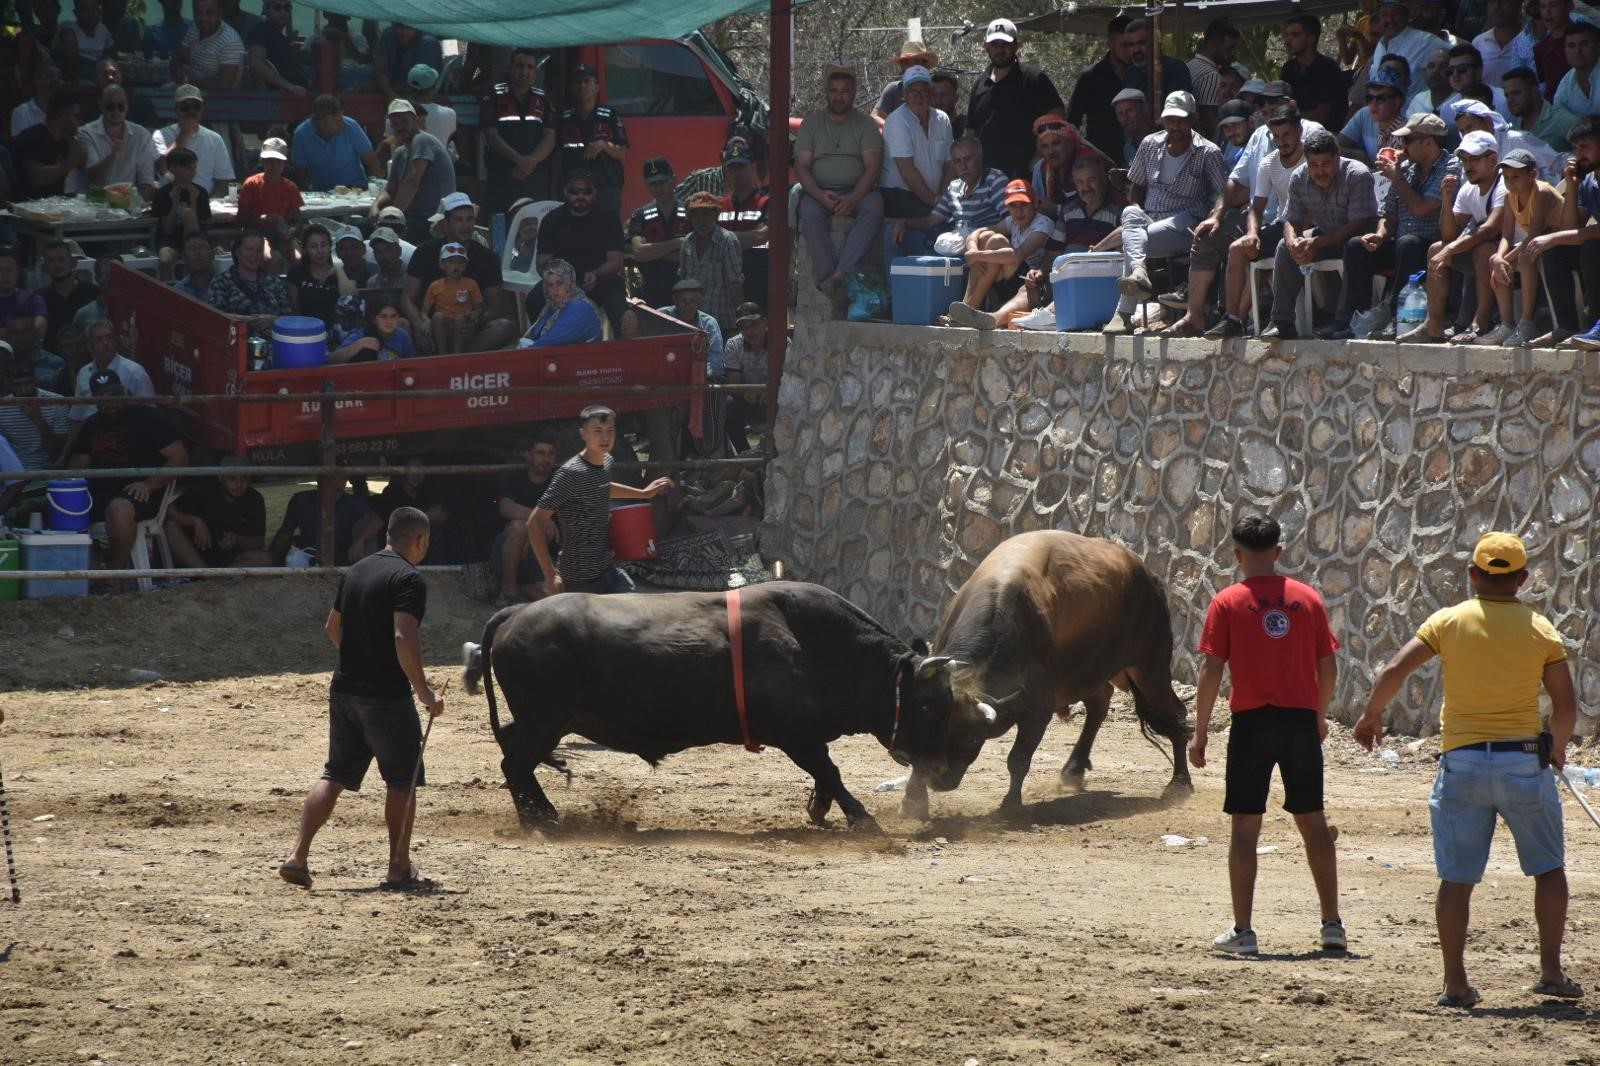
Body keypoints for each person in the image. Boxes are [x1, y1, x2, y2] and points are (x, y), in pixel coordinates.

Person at [1353, 532, 1583, 1009]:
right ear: (1522, 579)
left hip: (1461, 763)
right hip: (1523, 761)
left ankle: (1456, 984)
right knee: (1549, 869)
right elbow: (1565, 705)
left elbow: (1395, 669)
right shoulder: (1541, 629)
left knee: (1457, 879)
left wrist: (1370, 715)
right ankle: (1551, 972)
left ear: (1473, 575)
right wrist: (1557, 749)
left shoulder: (1447, 621)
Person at [1189, 513, 1343, 957]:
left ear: (1237, 556)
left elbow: (1211, 669)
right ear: (1278, 552)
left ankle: (1244, 931)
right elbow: (1327, 665)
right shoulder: (1308, 599)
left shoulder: (1227, 602)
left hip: (1252, 724)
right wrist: (1319, 714)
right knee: (1313, 822)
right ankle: (1332, 925)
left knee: (1245, 828)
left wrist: (1200, 732)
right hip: (1298, 721)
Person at [279, 505, 444, 892]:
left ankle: (297, 856)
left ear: (388, 534)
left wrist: (357, 657)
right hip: (386, 697)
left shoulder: (357, 570)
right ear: (420, 540)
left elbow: (332, 626)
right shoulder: (409, 578)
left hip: (345, 689)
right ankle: (398, 869)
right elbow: (404, 637)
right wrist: (423, 690)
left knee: (335, 774)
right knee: (401, 781)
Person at [1172, 105, 1305, 338]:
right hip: (1278, 224)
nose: (1281, 141)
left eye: (1286, 135)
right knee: (1238, 247)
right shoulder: (1269, 162)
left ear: (1299, 131)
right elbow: (1256, 206)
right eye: (1276, 136)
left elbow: (1310, 206)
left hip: (1305, 225)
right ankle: (1231, 320)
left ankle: (1273, 320)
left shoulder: (1309, 160)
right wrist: (1252, 233)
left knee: (1280, 248)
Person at [1104, 91, 1227, 335]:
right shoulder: (1150, 144)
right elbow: (1136, 185)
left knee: (1134, 240)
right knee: (1130, 213)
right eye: (1171, 120)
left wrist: (1215, 216)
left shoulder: (1207, 152)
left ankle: (1123, 313)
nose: (1176, 126)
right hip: (1150, 218)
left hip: (1186, 221)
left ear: (1192, 119)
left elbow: (1225, 191)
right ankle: (1139, 271)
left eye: (1181, 120)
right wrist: (1137, 206)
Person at [1334, 112, 1460, 340]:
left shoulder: (1450, 166)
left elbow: (1422, 208)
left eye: (1408, 140)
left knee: (1408, 243)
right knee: (1356, 246)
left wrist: (1397, 178)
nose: (1403, 146)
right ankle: (1354, 319)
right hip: (1402, 245)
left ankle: (1396, 318)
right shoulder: (1408, 168)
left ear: (1428, 142)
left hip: (1432, 246)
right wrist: (1380, 235)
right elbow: (1388, 214)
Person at [526, 405, 672, 597]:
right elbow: (534, 522)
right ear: (583, 434)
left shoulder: (607, 461)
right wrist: (550, 574)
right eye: (597, 431)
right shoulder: (570, 474)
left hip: (607, 570)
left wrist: (644, 493)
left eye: (610, 430)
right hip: (578, 579)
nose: (605, 437)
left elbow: (603, 486)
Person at [1259, 132, 1379, 340]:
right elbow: (1291, 219)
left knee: (1353, 246)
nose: (1320, 171)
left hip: (1358, 237)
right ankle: (1281, 322)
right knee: (1283, 247)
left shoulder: (1357, 174)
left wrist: (1317, 243)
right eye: (1314, 165)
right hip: (1325, 233)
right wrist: (1294, 242)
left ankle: (1342, 321)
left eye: (1325, 164)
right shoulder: (1299, 177)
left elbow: (1358, 223)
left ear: (1337, 158)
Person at [69, 370, 188, 572]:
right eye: (103, 398)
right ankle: (94, 572)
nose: (111, 402)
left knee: (119, 509)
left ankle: (117, 571)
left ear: (124, 392)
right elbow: (80, 466)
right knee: (59, 509)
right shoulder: (91, 425)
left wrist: (150, 484)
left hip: (140, 491)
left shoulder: (148, 417)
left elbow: (180, 457)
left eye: (114, 395)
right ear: (95, 401)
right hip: (99, 492)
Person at [1398, 131, 1507, 343]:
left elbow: (1490, 229)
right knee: (1436, 249)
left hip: (1511, 253)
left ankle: (1480, 321)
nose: (1468, 166)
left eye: (1474, 159)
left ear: (1492, 159)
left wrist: (1450, 249)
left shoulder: (1504, 185)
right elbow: (1449, 234)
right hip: (1483, 256)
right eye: (1464, 160)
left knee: (1483, 249)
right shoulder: (1468, 188)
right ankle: (1433, 324)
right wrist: (1446, 199)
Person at [794, 66, 885, 304]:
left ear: (854, 93)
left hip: (858, 192)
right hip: (819, 191)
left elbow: (872, 167)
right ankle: (827, 278)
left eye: (844, 91)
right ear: (826, 92)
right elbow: (802, 166)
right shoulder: (811, 123)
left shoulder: (866, 125)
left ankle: (841, 274)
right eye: (833, 91)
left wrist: (854, 198)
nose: (839, 96)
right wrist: (819, 194)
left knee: (874, 207)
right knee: (809, 211)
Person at [402, 192, 517, 354]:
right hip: (431, 327)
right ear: (445, 224)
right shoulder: (424, 252)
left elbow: (495, 307)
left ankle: (457, 361)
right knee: (402, 327)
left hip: (467, 329)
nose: (465, 225)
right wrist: (419, 324)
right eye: (458, 220)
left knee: (505, 327)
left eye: (469, 219)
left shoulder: (487, 257)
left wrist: (476, 322)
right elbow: (407, 298)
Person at [529, 170, 628, 334]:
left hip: (597, 279)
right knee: (534, 299)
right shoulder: (552, 220)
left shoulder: (608, 218)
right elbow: (542, 263)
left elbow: (616, 261)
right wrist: (560, 282)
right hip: (561, 283)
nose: (580, 196)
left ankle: (625, 342)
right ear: (565, 191)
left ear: (595, 192)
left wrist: (596, 273)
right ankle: (544, 341)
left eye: (587, 191)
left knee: (614, 288)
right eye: (574, 191)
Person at [946, 179, 1053, 330]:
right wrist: (972, 250)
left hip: (1034, 280)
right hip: (1010, 278)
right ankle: (967, 307)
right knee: (988, 239)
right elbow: (977, 233)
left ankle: (976, 313)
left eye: (1024, 205)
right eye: (1013, 206)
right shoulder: (1012, 221)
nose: (1019, 211)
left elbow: (1017, 256)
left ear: (1035, 204)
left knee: (996, 242)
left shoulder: (1043, 224)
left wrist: (977, 256)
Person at [967, 18, 1064, 179]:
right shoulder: (979, 84)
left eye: (1005, 44)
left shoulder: (1033, 79)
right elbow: (970, 131)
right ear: (985, 45)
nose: (1000, 49)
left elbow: (1057, 114)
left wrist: (1040, 154)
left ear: (1017, 45)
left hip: (1025, 175)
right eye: (995, 44)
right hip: (986, 178)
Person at [1487, 148, 1562, 346]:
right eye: (1506, 177)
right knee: (1494, 259)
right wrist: (1498, 258)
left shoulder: (1542, 193)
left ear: (1532, 175)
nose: (1510, 182)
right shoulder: (1508, 196)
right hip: (1540, 241)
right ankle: (1507, 324)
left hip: (1560, 241)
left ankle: (1527, 323)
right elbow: (1506, 235)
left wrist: (1504, 261)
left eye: (1516, 177)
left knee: (1523, 257)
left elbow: (1535, 233)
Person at [891, 134, 1007, 257]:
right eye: (957, 161)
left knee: (931, 259)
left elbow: (1011, 221)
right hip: (954, 246)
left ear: (979, 159)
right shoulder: (954, 187)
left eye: (968, 159)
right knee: (893, 232)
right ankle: (894, 276)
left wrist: (978, 234)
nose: (963, 166)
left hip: (981, 249)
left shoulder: (995, 180)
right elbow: (931, 221)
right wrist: (905, 222)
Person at [480, 48, 556, 212]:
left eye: (530, 67)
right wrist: (518, 160)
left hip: (535, 178)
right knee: (501, 227)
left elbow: (550, 137)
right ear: (511, 68)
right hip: (503, 176)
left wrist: (530, 162)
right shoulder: (494, 95)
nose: (524, 71)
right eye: (520, 65)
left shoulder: (542, 98)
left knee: (535, 227)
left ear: (536, 71)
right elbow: (491, 135)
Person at [490, 432, 558, 605]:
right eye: (540, 453)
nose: (546, 459)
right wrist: (540, 518)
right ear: (529, 456)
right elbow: (506, 508)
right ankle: (508, 590)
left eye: (550, 454)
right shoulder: (514, 478)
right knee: (521, 526)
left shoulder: (558, 481)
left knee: (554, 600)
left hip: (539, 557)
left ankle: (521, 588)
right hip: (508, 554)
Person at [164, 458, 271, 568]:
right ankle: (206, 573)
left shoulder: (255, 499)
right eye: (232, 478)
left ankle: (223, 575)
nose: (239, 484)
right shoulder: (203, 489)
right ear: (220, 477)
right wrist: (195, 521)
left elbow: (259, 540)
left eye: (244, 478)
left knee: (265, 558)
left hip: (228, 557)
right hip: (193, 553)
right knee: (169, 528)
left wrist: (238, 540)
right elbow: (168, 511)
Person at [373, 99, 454, 243]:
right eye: (395, 124)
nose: (400, 127)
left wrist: (392, 218)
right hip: (412, 218)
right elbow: (390, 189)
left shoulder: (422, 140)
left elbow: (412, 183)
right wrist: (376, 206)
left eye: (404, 121)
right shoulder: (400, 153)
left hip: (433, 220)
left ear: (416, 120)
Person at [880, 64, 954, 220]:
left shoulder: (942, 119)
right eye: (913, 91)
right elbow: (907, 170)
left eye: (923, 91)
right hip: (900, 195)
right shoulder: (896, 121)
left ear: (931, 93)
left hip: (932, 197)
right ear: (905, 94)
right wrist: (935, 201)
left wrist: (941, 198)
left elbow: (949, 165)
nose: (918, 97)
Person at [0, 360, 71, 517]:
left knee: (26, 508)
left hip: (45, 475)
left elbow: (57, 453)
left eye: (28, 383)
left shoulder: (57, 402)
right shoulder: (2, 408)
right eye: (18, 384)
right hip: (13, 477)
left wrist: (38, 419)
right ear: (8, 383)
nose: (24, 389)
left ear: (36, 379)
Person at [556, 64, 628, 216]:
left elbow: (622, 152)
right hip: (574, 190)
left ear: (596, 87)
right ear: (572, 88)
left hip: (605, 188)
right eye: (578, 82)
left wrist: (603, 145)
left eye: (587, 81)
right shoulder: (563, 118)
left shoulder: (609, 116)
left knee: (607, 235)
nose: (582, 85)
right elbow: (556, 157)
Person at [67, 83, 156, 201]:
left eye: (121, 106)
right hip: (92, 207)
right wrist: (113, 157)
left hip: (128, 207)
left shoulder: (142, 135)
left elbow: (147, 181)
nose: (116, 111)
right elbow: (93, 176)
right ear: (100, 106)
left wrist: (136, 206)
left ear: (127, 106)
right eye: (110, 106)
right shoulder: (85, 133)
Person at [269, 474, 381, 566]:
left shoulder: (352, 503)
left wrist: (360, 540)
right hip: (308, 556)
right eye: (333, 477)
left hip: (341, 559)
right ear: (319, 479)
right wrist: (270, 559)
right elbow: (285, 532)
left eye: (343, 477)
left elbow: (376, 520)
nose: (339, 481)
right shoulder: (302, 501)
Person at [1067, 15, 1137, 160]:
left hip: (1140, 156)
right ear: (1110, 44)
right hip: (1102, 160)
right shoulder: (1090, 77)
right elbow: (1072, 122)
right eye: (1125, 45)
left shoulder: (1145, 74)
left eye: (1133, 44)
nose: (1131, 50)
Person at [628, 156, 689, 309]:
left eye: (662, 182)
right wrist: (678, 243)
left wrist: (653, 253)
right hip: (651, 291)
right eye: (653, 184)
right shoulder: (639, 215)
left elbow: (693, 255)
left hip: (686, 290)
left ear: (674, 180)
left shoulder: (691, 211)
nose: (658, 188)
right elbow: (639, 253)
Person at [153, 85, 236, 197]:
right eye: (185, 107)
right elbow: (162, 168)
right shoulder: (161, 135)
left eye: (196, 106)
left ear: (202, 109)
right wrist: (184, 135)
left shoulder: (215, 138)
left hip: (206, 203)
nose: (191, 111)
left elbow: (223, 182)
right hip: (170, 201)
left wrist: (207, 204)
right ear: (176, 109)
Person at [678, 191, 744, 333]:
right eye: (696, 215)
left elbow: (735, 285)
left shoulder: (727, 240)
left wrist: (742, 320)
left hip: (724, 323)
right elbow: (683, 282)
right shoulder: (687, 242)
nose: (702, 220)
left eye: (707, 214)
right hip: (694, 323)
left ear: (716, 215)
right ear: (690, 218)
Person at [291, 95, 381, 193]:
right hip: (321, 193)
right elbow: (300, 172)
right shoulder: (301, 134)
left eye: (342, 117)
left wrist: (375, 193)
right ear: (322, 123)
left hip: (355, 190)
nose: (342, 122)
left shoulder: (351, 126)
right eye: (337, 120)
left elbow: (372, 162)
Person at [209, 231, 290, 337]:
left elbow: (289, 319)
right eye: (249, 249)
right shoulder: (221, 281)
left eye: (259, 250)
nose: (254, 255)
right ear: (237, 251)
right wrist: (249, 320)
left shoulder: (274, 282)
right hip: (237, 343)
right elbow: (214, 317)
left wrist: (273, 320)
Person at [1030, 116, 1113, 220]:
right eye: (1045, 146)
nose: (1051, 151)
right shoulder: (1042, 168)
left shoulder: (1088, 162)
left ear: (1070, 142)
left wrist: (1057, 210)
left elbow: (1096, 208)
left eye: (1056, 143)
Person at [151, 147, 210, 280]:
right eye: (188, 168)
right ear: (173, 168)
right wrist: (174, 203)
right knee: (165, 260)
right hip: (170, 240)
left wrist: (193, 200)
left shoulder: (200, 192)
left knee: (189, 213)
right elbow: (167, 229)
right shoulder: (162, 193)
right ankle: (166, 291)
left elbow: (199, 226)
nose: (192, 172)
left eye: (194, 168)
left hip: (196, 241)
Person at [11, 95, 86, 202]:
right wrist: (70, 163)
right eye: (77, 116)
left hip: (55, 205)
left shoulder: (65, 142)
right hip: (29, 206)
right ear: (63, 116)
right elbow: (37, 178)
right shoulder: (32, 138)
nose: (80, 121)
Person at [1371, 0, 1450, 98]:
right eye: (1384, 14)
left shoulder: (1424, 41)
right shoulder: (1381, 44)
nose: (1389, 19)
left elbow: (1459, 57)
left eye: (1395, 14)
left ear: (1407, 16)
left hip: (1414, 112)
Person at [1280, 15, 1347, 128]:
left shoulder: (1328, 68)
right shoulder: (1289, 68)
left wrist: (1289, 116)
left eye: (1295, 35)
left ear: (1311, 38)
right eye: (1287, 35)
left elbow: (1322, 115)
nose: (1287, 41)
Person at [287, 223, 355, 330]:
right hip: (305, 330)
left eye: (323, 245)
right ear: (305, 250)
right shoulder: (296, 273)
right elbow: (295, 309)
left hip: (336, 332)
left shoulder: (342, 273)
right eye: (313, 246)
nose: (320, 251)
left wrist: (338, 270)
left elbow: (349, 300)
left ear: (330, 246)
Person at [722, 302, 767, 454]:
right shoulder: (733, 344)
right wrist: (744, 392)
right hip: (747, 398)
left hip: (773, 395)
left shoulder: (782, 342)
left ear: (764, 323)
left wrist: (772, 390)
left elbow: (787, 378)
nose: (750, 331)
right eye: (744, 327)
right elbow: (733, 382)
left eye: (753, 324)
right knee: (728, 404)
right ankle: (744, 454)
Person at [37, 241, 98, 352]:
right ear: (45, 267)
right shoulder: (39, 298)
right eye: (51, 261)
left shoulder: (93, 293)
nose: (57, 265)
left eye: (61, 259)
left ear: (73, 262)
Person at [1339, 66, 1408, 164]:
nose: (1373, 104)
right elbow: (1335, 146)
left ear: (1397, 102)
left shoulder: (1405, 136)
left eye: (1381, 99)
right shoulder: (1371, 119)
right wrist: (1358, 155)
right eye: (1370, 98)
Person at [422, 242, 482, 354]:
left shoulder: (471, 284)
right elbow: (424, 311)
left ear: (464, 266)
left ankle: (457, 353)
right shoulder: (435, 286)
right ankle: (442, 354)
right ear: (442, 264)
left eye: (460, 262)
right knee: (437, 316)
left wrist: (473, 315)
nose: (456, 266)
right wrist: (426, 321)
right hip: (441, 328)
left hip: (461, 328)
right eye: (451, 262)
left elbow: (479, 308)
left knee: (460, 318)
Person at [173, 0, 245, 91]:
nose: (203, 18)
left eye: (209, 13)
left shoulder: (231, 42)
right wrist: (176, 73)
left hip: (220, 98)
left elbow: (225, 83)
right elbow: (178, 56)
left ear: (220, 14)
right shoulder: (195, 28)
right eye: (198, 13)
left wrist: (189, 83)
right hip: (191, 90)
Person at [870, 38, 939, 128]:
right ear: (902, 65)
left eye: (918, 61)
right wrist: (893, 129)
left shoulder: (936, 90)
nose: (914, 66)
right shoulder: (893, 89)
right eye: (909, 62)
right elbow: (875, 117)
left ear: (925, 64)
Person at [247, 0, 309, 97]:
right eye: (277, 7)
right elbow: (256, 63)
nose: (283, 12)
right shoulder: (262, 31)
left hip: (294, 97)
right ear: (266, 9)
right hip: (278, 100)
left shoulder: (280, 36)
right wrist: (289, 86)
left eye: (287, 7)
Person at [1122, 17, 1195, 98]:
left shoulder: (1175, 69)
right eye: (1131, 45)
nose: (1136, 50)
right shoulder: (1130, 74)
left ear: (1154, 42)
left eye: (1141, 43)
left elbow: (1178, 107)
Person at [1440, 44, 1512, 125]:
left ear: (1478, 72)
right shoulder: (1447, 108)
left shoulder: (1503, 101)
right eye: (1450, 70)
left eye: (1462, 68)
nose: (1455, 74)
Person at [1189, 18, 1242, 129]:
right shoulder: (1211, 76)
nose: (1234, 53)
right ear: (1212, 46)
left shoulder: (1190, 65)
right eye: (1230, 48)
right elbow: (1210, 120)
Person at [332, 295, 413, 362]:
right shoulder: (361, 334)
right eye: (383, 316)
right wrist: (358, 345)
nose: (389, 321)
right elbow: (333, 360)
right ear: (374, 319)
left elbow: (412, 363)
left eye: (393, 316)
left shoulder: (403, 336)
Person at [375, 22, 442, 101]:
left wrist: (390, 91)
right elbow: (380, 69)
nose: (404, 33)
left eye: (409, 27)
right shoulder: (388, 34)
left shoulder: (428, 43)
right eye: (399, 26)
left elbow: (422, 85)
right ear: (393, 24)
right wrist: (390, 94)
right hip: (391, 93)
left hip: (420, 97)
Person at [4, 311, 68, 393]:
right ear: (7, 335)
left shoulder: (56, 363)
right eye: (15, 332)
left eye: (25, 331)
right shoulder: (3, 362)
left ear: (35, 332)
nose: (20, 336)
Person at [1475, 0, 1539, 82]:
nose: (1496, 6)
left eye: (1504, 1)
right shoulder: (1478, 43)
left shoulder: (1530, 40)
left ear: (1519, 5)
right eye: (1492, 2)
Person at [58, 0, 113, 82]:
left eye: (94, 8)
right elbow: (73, 67)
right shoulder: (68, 30)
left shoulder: (103, 29)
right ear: (76, 13)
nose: (90, 14)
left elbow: (111, 54)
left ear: (100, 11)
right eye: (84, 9)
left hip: (101, 80)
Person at [0, 248, 49, 340]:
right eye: (0, 270)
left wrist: (4, 333)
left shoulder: (33, 299)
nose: (4, 275)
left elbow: (40, 330)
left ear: (18, 272)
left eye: (9, 270)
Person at [1554, 20, 1600, 115]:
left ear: (1598, 47)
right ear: (1565, 51)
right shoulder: (1564, 87)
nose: (1577, 51)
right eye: (1571, 46)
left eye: (1583, 44)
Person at [1535, 0, 1578, 96]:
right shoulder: (1540, 48)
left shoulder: (1585, 40)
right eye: (1543, 7)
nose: (1547, 11)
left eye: (1553, 5)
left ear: (1569, 6)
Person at [10, 60, 62, 138]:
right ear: (36, 80)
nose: (56, 80)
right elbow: (19, 147)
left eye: (59, 77)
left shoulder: (65, 111)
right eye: (50, 76)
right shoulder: (22, 112)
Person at [1407, 49, 1457, 117]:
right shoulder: (1419, 100)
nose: (1435, 71)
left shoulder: (1461, 100)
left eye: (1443, 66)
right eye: (1431, 66)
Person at [173, 230, 219, 302]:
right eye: (192, 248)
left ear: (212, 254)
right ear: (183, 257)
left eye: (202, 247)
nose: (197, 252)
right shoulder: (178, 291)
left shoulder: (225, 286)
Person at [1112, 88, 1154, 166]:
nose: (1125, 118)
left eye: (1130, 111)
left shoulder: (1162, 140)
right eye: (1120, 114)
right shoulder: (1128, 148)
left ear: (1144, 108)